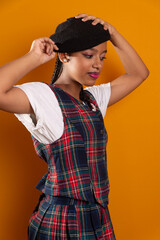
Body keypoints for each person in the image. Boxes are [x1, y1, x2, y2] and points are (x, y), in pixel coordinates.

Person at [0, 13, 149, 240]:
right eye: (89, 55)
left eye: (103, 57)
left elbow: (139, 74)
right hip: (62, 220)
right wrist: (34, 57)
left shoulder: (92, 98)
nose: (97, 64)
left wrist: (113, 33)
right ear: (64, 55)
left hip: (98, 215)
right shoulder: (43, 97)